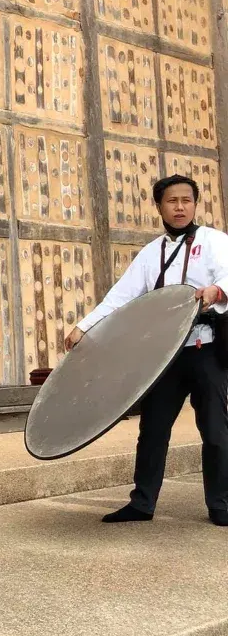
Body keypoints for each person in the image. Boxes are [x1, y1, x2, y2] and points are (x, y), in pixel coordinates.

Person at [65, 174, 228, 525]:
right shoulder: (151, 253)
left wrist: (217, 289)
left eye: (187, 200)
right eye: (172, 201)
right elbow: (121, 298)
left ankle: (222, 504)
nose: (180, 207)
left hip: (205, 349)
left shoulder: (215, 242)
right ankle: (142, 503)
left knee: (215, 430)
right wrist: (85, 326)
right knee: (152, 429)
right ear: (159, 206)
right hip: (161, 358)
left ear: (195, 204)